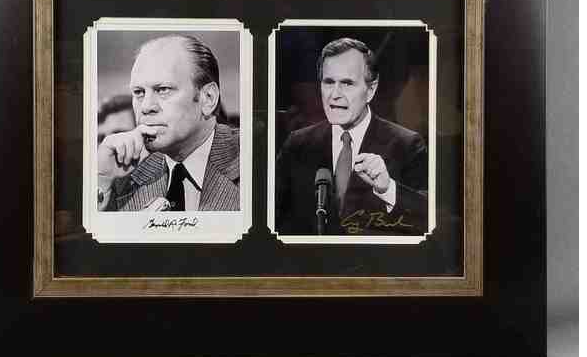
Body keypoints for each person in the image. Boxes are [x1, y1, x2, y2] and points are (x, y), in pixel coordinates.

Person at [275, 37, 428, 235]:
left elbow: (427, 221)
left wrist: (387, 188)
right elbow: (274, 220)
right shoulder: (297, 144)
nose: (335, 94)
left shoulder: (407, 145)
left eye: (347, 83)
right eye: (329, 82)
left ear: (371, 90)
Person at [97, 34, 240, 212]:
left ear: (208, 98)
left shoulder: (255, 160)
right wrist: (102, 179)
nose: (146, 107)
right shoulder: (122, 177)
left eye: (163, 89)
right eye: (139, 92)